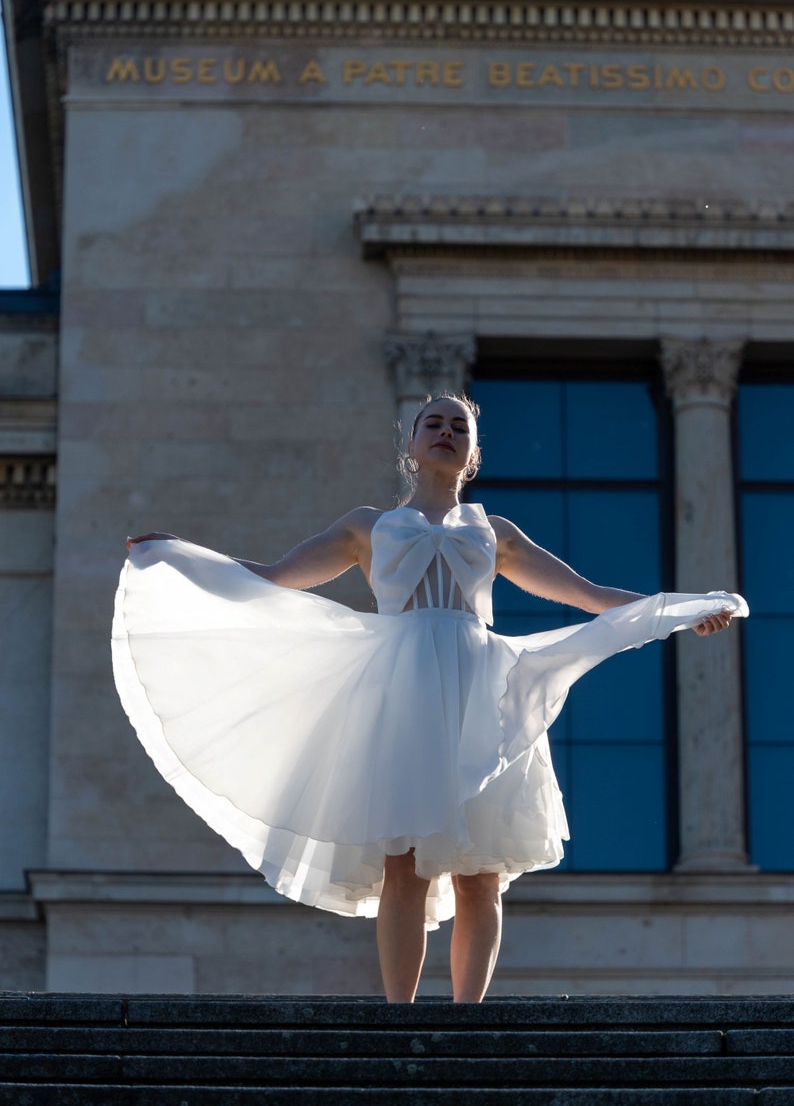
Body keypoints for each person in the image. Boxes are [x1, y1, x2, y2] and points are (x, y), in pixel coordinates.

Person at [114, 393, 745, 1004]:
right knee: (404, 861)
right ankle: (401, 1017)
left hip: (480, 694)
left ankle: (466, 1022)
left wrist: (683, 612)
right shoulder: (368, 528)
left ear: (471, 455)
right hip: (403, 699)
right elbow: (272, 579)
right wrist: (177, 558)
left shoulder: (494, 532)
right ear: (411, 446)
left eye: (459, 427)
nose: (446, 431)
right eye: (433, 423)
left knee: (482, 869)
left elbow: (586, 595)